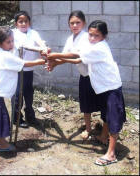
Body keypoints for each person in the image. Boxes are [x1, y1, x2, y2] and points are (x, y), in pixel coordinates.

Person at [47, 20, 126, 166]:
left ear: (104, 36)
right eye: (90, 35)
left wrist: (54, 56)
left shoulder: (100, 48)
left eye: (96, 36)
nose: (91, 38)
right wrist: (56, 61)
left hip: (111, 88)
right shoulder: (92, 45)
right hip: (104, 88)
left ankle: (111, 154)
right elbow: (77, 59)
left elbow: (76, 56)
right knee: (106, 116)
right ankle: (103, 137)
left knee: (113, 120)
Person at [0, 26, 45, 152]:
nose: (11, 44)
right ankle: (3, 144)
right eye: (8, 42)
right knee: (0, 116)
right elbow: (24, 64)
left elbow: (17, 48)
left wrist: (41, 47)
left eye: (12, 41)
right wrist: (40, 61)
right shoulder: (5, 56)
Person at [44, 10, 100, 139]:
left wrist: (54, 56)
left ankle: (105, 131)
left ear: (84, 23)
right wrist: (53, 63)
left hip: (96, 75)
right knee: (85, 103)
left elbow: (76, 55)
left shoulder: (86, 37)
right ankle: (88, 128)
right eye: (72, 23)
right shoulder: (70, 39)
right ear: (69, 25)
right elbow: (65, 57)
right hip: (84, 76)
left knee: (103, 103)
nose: (74, 25)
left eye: (78, 23)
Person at [11, 11, 49, 128]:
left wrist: (44, 48)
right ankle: (16, 118)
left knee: (28, 94)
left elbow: (40, 43)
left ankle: (30, 117)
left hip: (29, 70)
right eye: (20, 21)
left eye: (25, 21)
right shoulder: (12, 33)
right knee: (18, 95)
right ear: (16, 23)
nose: (23, 24)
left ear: (29, 23)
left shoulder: (33, 33)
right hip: (17, 69)